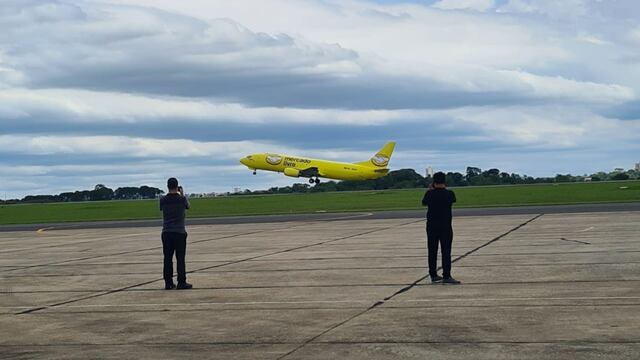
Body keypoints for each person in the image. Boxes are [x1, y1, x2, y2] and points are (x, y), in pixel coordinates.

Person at [422, 172, 461, 285]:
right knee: (446, 251)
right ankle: (446, 275)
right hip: (445, 226)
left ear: (434, 182)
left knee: (432, 251)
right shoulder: (449, 194)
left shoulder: (429, 194)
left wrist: (430, 190)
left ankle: (433, 275)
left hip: (431, 226)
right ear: (445, 181)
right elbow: (453, 200)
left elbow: (424, 203)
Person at [160, 177, 192, 290]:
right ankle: (181, 282)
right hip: (179, 231)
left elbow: (161, 209)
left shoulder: (162, 199)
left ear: (167, 186)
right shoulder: (182, 199)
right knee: (180, 258)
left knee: (167, 258)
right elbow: (188, 206)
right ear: (177, 186)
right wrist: (182, 193)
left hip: (167, 231)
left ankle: (168, 283)